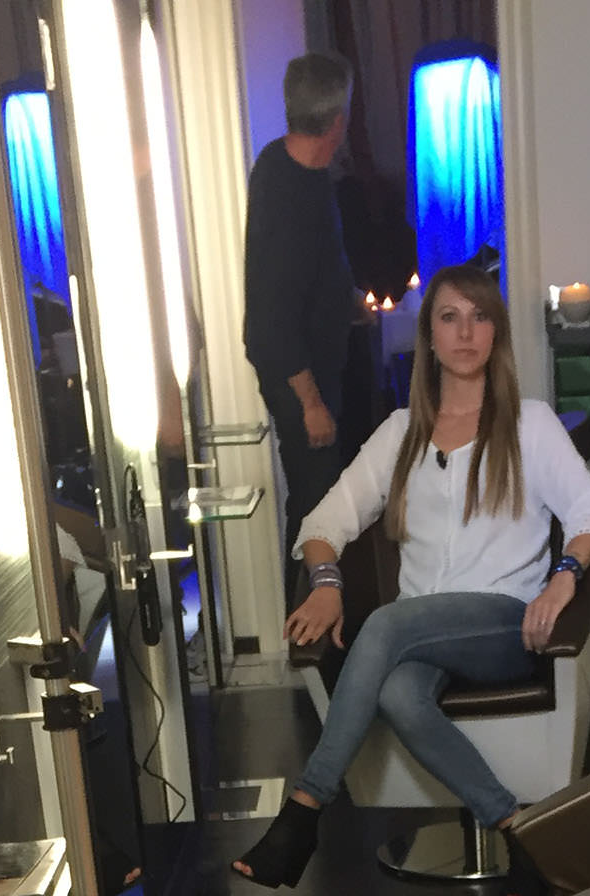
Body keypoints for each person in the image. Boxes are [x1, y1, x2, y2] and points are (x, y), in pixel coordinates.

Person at [232, 264, 590, 896]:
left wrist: (563, 578)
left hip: (504, 624)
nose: (465, 332)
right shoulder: (400, 432)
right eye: (449, 317)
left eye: (479, 317)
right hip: (417, 635)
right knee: (397, 692)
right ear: (430, 337)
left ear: (495, 333)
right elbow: (323, 524)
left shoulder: (529, 424)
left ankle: (303, 811)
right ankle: (520, 836)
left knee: (386, 624)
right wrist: (326, 582)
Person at [243, 52, 363, 600]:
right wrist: (310, 402)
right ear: (337, 118)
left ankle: (315, 624)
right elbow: (272, 317)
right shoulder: (288, 191)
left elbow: (308, 273)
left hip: (316, 366)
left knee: (321, 500)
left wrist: (345, 296)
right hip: (300, 378)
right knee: (318, 508)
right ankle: (308, 627)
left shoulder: (292, 166)